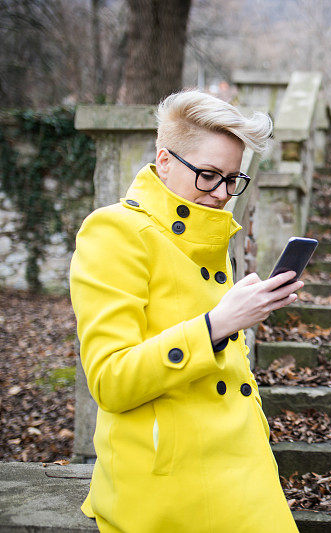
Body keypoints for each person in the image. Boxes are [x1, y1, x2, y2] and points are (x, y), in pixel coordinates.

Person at [69, 89, 302, 532]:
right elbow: (110, 381)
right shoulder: (114, 232)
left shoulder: (211, 236)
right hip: (167, 483)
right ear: (166, 160)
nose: (221, 194)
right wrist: (219, 324)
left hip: (243, 467)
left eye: (233, 179)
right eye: (209, 175)